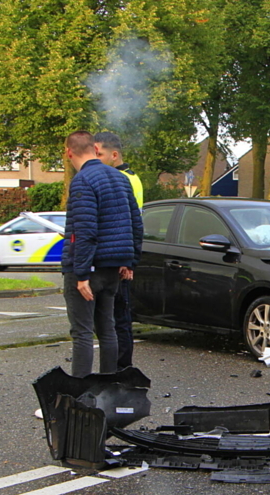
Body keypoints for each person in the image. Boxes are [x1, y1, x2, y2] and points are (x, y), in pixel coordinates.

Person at [61, 130, 143, 377]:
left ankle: (80, 396)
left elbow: (85, 230)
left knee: (82, 333)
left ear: (68, 152)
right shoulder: (121, 179)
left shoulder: (83, 181)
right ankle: (109, 387)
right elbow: (135, 223)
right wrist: (129, 261)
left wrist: (81, 273)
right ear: (95, 150)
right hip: (113, 271)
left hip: (88, 269)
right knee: (107, 329)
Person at [94, 131, 144, 371]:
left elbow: (128, 222)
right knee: (116, 317)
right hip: (121, 254)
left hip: (119, 258)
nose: (95, 159)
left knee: (119, 318)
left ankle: (121, 370)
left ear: (114, 155)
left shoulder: (120, 180)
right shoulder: (128, 177)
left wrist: (127, 259)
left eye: (99, 154)